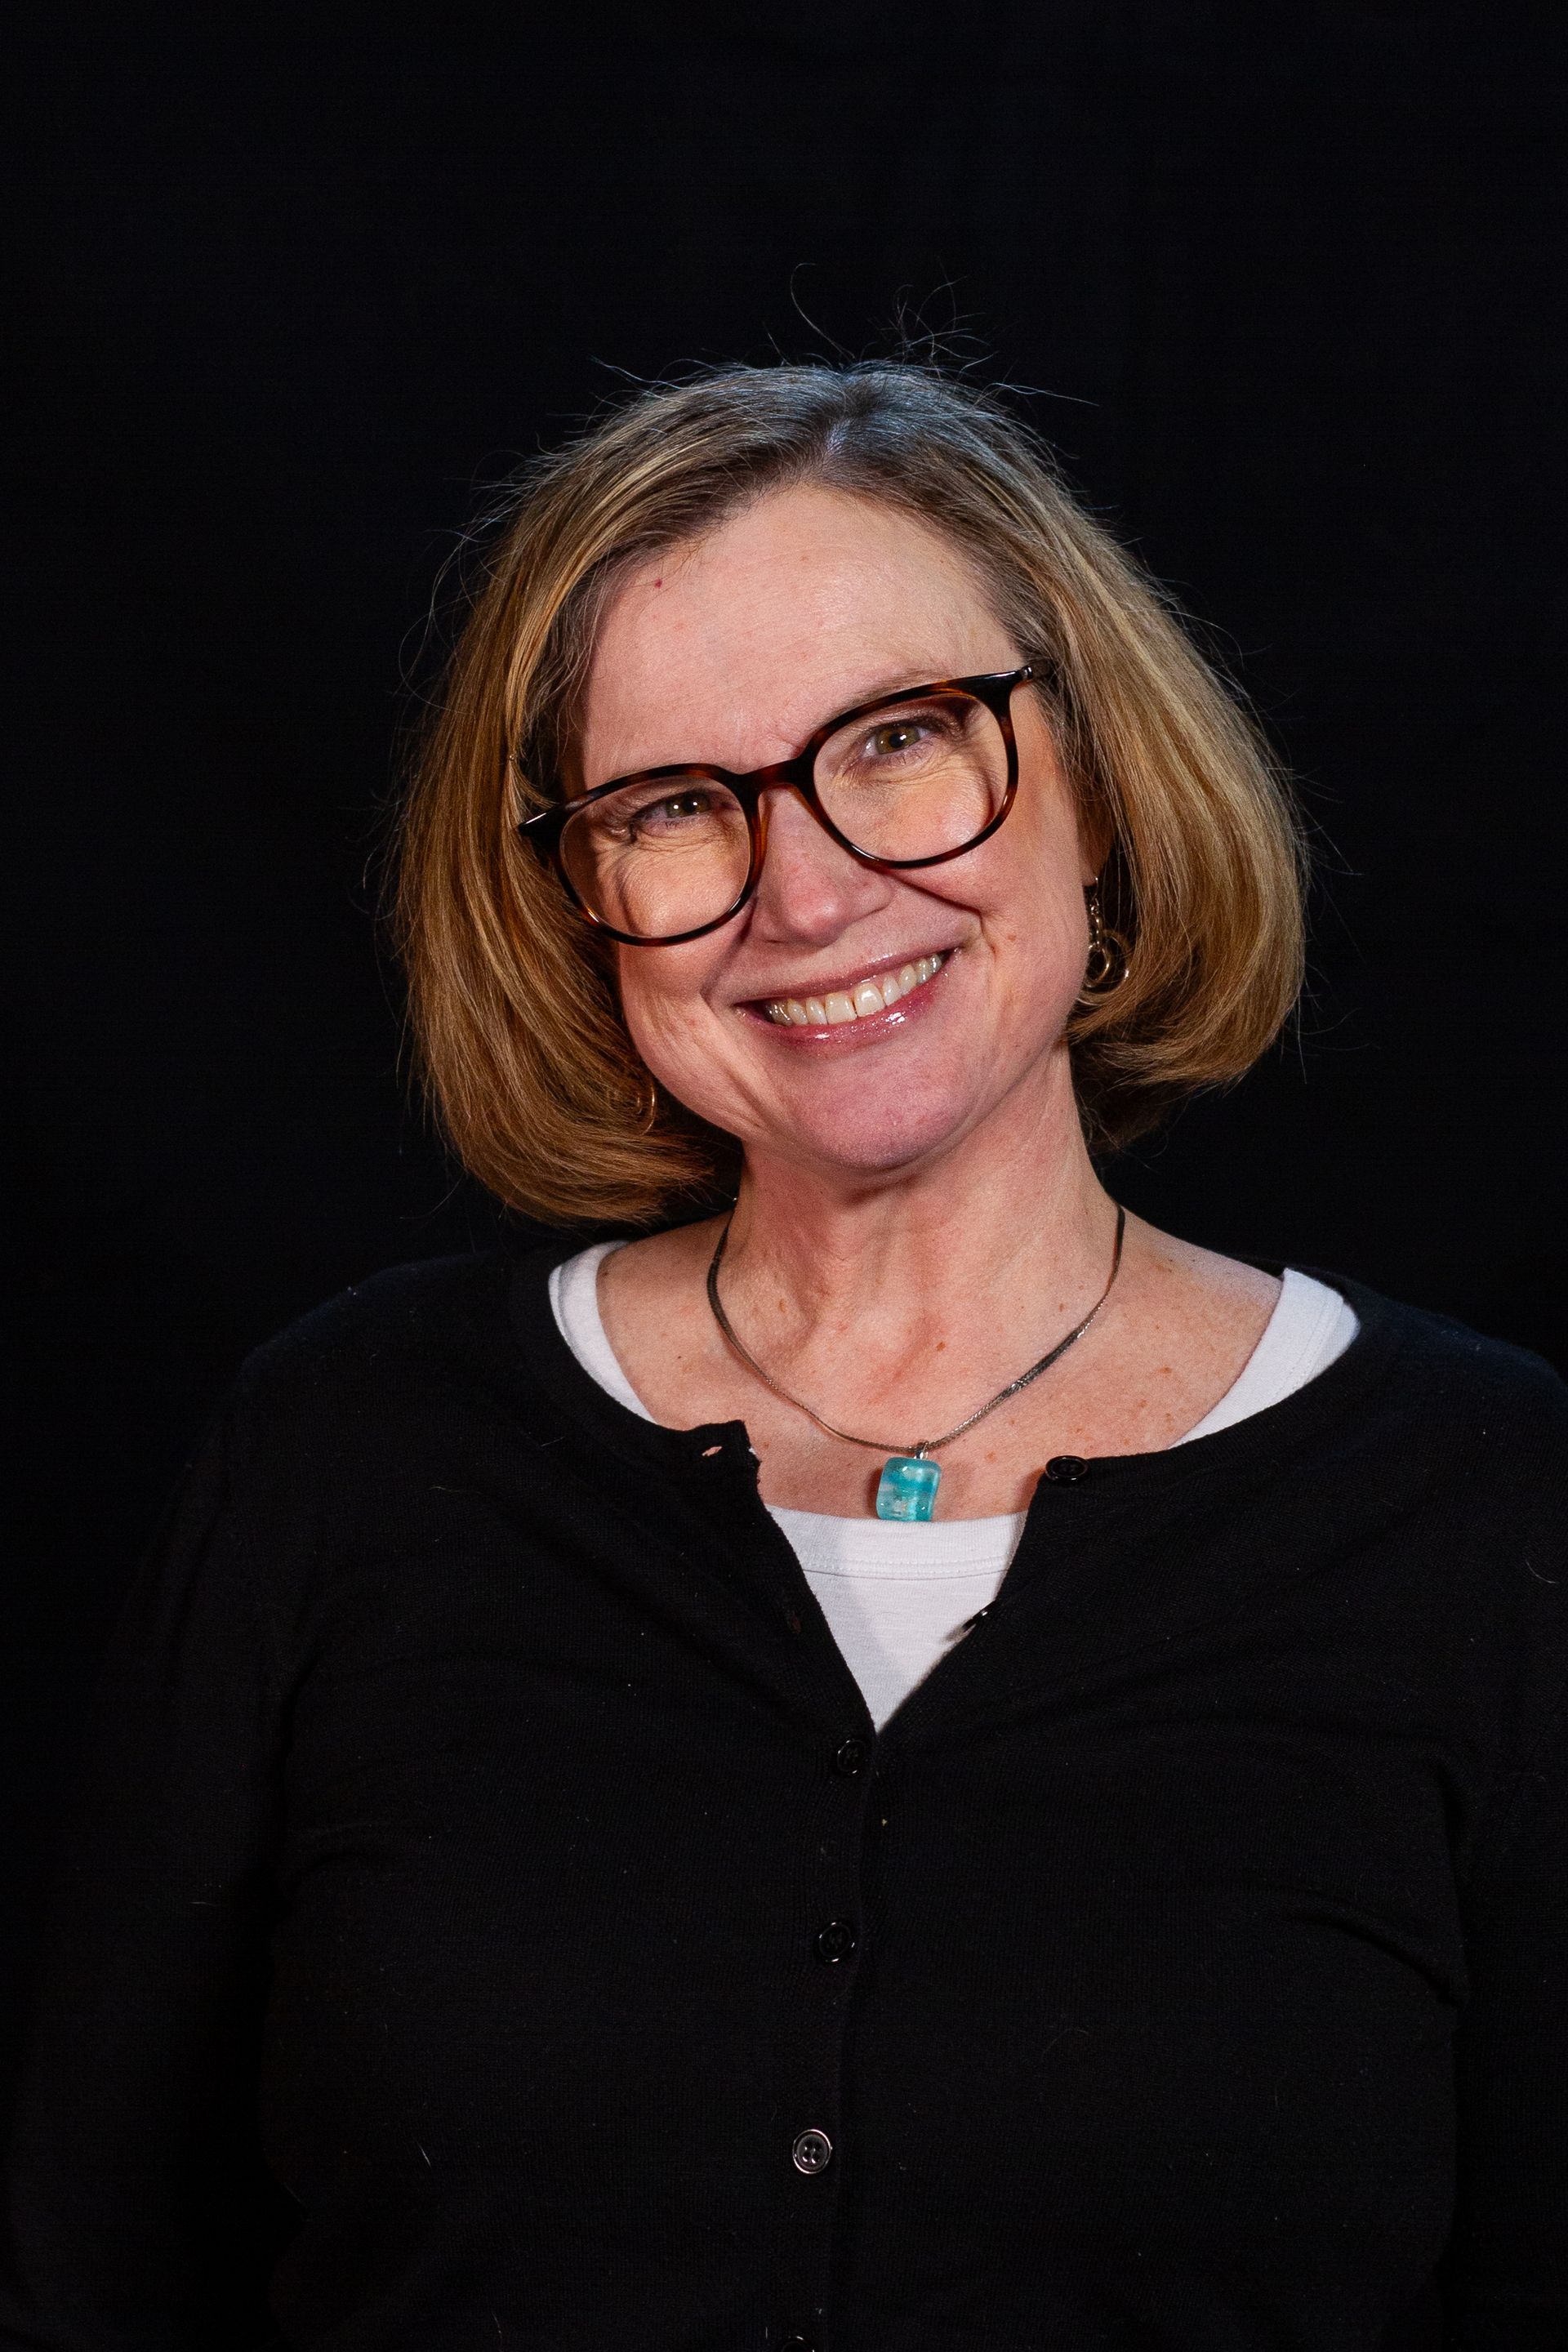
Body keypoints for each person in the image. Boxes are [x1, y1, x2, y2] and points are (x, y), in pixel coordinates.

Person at [1, 361, 1563, 2350]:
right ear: (579, 902)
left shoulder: (1491, 1505)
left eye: (901, 741)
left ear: (1101, 778)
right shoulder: (341, 1455)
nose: (811, 892)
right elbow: (90, 2275)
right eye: (673, 806)